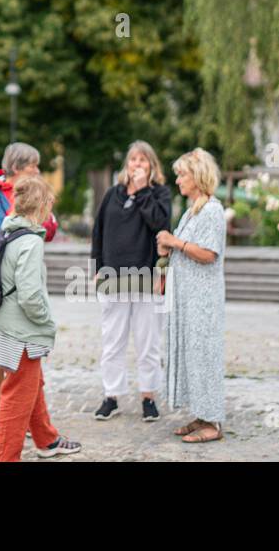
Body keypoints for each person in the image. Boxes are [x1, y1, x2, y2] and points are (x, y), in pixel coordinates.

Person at [0, 174, 82, 461]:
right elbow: (30, 296)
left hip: (2, 325)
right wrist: (46, 322)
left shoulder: (7, 233)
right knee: (16, 397)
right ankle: (4, 458)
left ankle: (46, 440)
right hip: (22, 334)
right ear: (41, 206)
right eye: (50, 205)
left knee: (31, 384)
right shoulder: (30, 242)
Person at [90, 141, 172, 423]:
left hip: (147, 278)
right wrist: (96, 267)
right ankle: (111, 396)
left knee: (148, 342)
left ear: (151, 166)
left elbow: (160, 224)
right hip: (113, 277)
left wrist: (143, 193)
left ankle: (148, 396)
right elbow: (98, 232)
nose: (137, 164)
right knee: (112, 341)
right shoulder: (113, 194)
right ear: (127, 164)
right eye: (133, 159)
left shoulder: (159, 194)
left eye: (143, 160)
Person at [0, 142, 56, 440]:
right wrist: (22, 210)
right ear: (16, 168)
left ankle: (32, 423)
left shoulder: (34, 192)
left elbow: (48, 228)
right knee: (1, 352)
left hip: (24, 271)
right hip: (0, 282)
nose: (37, 171)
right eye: (32, 166)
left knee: (27, 353)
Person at [157, 147, 227, 444]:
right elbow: (186, 247)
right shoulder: (192, 209)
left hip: (203, 299)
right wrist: (168, 249)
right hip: (187, 296)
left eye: (182, 174)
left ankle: (213, 422)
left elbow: (208, 254)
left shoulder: (212, 210)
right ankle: (201, 414)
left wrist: (176, 242)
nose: (178, 181)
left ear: (197, 177)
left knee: (204, 355)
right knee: (191, 354)